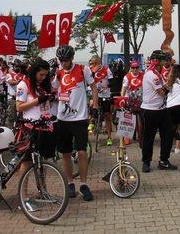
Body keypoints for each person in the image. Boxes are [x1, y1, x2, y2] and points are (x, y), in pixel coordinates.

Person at [52, 45, 99, 201]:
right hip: (63, 118)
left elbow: (93, 87)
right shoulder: (57, 73)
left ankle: (84, 184)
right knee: (64, 153)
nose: (64, 63)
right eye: (62, 60)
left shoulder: (82, 69)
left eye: (66, 60)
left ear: (72, 58)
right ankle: (70, 182)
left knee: (82, 152)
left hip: (79, 118)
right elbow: (52, 91)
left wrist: (95, 106)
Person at [16, 58, 57, 176]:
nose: (43, 77)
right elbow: (19, 107)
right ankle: (23, 193)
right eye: (41, 74)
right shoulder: (23, 84)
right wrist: (37, 100)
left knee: (42, 162)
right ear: (34, 72)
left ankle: (43, 191)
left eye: (45, 75)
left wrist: (51, 98)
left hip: (45, 126)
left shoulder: (43, 85)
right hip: (30, 128)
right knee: (27, 162)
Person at [140, 50, 177, 173]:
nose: (165, 63)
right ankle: (146, 161)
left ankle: (164, 161)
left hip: (161, 109)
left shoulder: (157, 73)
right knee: (148, 138)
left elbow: (164, 88)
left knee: (168, 134)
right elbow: (162, 92)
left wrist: (169, 83)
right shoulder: (152, 75)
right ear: (157, 61)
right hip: (150, 110)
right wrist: (171, 81)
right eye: (163, 60)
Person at [88, 55, 114, 146]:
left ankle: (109, 137)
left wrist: (106, 85)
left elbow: (112, 82)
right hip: (95, 95)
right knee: (92, 106)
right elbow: (87, 81)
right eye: (92, 63)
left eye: (96, 63)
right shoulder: (90, 70)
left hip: (105, 95)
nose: (94, 65)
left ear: (100, 62)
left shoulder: (107, 70)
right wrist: (93, 72)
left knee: (107, 115)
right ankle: (91, 122)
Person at [165, 64, 180, 154]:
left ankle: (168, 147)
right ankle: (178, 148)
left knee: (171, 128)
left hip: (170, 106)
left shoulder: (168, 82)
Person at [121, 60, 144, 145]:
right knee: (128, 118)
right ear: (131, 68)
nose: (135, 69)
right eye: (133, 67)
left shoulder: (143, 75)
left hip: (141, 100)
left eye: (136, 67)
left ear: (139, 67)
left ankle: (142, 135)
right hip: (130, 100)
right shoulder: (127, 76)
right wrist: (122, 98)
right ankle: (127, 136)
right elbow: (123, 89)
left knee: (143, 118)